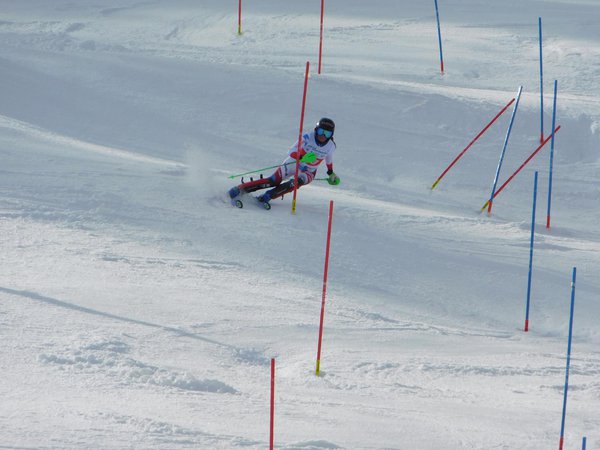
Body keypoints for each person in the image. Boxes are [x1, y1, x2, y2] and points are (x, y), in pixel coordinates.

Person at [228, 117, 341, 205]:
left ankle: (268, 196)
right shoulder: (307, 138)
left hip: (309, 171)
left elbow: (328, 158)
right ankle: (239, 189)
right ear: (316, 130)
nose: (323, 136)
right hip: (293, 163)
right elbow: (291, 151)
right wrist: (301, 156)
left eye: (327, 133)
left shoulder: (331, 146)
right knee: (273, 181)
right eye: (321, 131)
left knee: (296, 183)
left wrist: (330, 172)